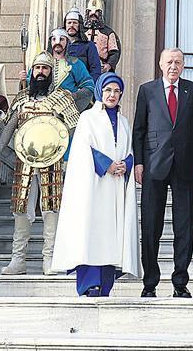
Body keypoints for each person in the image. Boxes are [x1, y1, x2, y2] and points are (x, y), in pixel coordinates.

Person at [0, 51, 80, 276]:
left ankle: (50, 259)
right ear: (32, 71)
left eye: (45, 68)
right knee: (20, 209)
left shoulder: (62, 98)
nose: (41, 72)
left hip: (52, 160)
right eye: (37, 68)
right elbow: (8, 128)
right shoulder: (22, 99)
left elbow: (74, 130)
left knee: (51, 209)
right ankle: (18, 259)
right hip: (25, 161)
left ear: (51, 72)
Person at [51, 72, 141, 296]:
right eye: (108, 90)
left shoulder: (124, 122)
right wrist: (106, 164)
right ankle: (90, 284)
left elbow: (129, 149)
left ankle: (105, 285)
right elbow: (82, 149)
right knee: (91, 232)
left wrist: (126, 164)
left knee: (112, 235)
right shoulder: (88, 118)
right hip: (94, 186)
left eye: (117, 91)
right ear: (100, 91)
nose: (112, 95)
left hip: (116, 186)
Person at [133, 48, 193, 298]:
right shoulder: (147, 90)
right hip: (154, 164)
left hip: (185, 165)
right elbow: (139, 129)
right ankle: (149, 282)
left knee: (184, 226)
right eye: (169, 62)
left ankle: (180, 282)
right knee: (151, 225)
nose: (173, 66)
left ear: (183, 65)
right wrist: (139, 162)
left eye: (178, 62)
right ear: (160, 65)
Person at [18, 29, 95, 112]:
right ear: (50, 42)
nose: (57, 43)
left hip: (66, 109)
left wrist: (73, 97)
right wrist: (23, 81)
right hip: (39, 107)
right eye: (54, 39)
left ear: (67, 42)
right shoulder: (41, 62)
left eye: (61, 39)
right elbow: (30, 84)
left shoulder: (76, 63)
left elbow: (88, 86)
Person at [85, 0, 121, 73]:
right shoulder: (81, 32)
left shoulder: (108, 33)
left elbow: (114, 53)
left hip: (101, 68)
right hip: (83, 68)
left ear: (100, 13)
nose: (93, 14)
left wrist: (109, 65)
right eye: (90, 11)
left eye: (96, 12)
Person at [64, 7, 102, 83]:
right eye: (69, 23)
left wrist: (89, 86)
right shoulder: (59, 46)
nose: (71, 25)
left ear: (80, 25)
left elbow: (95, 70)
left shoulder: (89, 46)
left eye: (75, 23)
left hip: (81, 86)